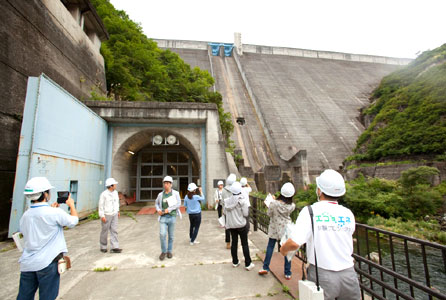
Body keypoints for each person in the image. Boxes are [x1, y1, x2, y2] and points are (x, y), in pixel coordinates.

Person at [280, 169, 360, 300]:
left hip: (322, 274)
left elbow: (295, 242)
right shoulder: (348, 213)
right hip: (349, 273)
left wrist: (283, 250)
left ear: (320, 191)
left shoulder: (310, 211)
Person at [17, 177, 79, 300]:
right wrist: (71, 205)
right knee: (47, 297)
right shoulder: (53, 213)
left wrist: (53, 210)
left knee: (24, 296)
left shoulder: (25, 215)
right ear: (45, 194)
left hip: (28, 263)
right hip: (47, 263)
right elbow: (73, 221)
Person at [258, 182, 296, 280]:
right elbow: (285, 208)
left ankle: (265, 267)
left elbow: (269, 213)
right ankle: (287, 272)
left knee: (270, 247)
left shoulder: (274, 204)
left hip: (274, 228)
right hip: (286, 229)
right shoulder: (292, 206)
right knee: (287, 249)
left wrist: (273, 202)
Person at [224, 181, 255, 271]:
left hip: (232, 225)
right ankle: (248, 263)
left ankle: (235, 262)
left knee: (234, 243)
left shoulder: (227, 201)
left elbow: (225, 212)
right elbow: (245, 214)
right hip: (241, 224)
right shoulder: (242, 200)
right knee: (244, 244)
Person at [155, 176, 182, 260]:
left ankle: (169, 251)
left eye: (167, 183)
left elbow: (178, 204)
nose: (166, 185)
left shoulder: (175, 193)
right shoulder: (160, 195)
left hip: (172, 216)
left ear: (171, 184)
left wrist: (168, 209)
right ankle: (163, 251)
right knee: (162, 234)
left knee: (171, 236)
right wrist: (158, 209)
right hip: (163, 217)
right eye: (165, 183)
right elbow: (156, 203)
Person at [98, 178, 122, 253]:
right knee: (104, 231)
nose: (115, 185)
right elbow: (101, 205)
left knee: (114, 230)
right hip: (107, 214)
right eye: (114, 184)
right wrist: (102, 215)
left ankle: (115, 247)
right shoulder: (104, 194)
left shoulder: (115, 193)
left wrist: (117, 211)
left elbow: (116, 202)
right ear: (111, 186)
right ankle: (103, 246)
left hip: (114, 213)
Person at [221, 173, 237, 249]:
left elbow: (222, 202)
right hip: (234, 211)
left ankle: (228, 243)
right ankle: (235, 243)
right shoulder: (235, 189)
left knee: (227, 227)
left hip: (226, 210)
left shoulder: (223, 190)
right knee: (235, 227)